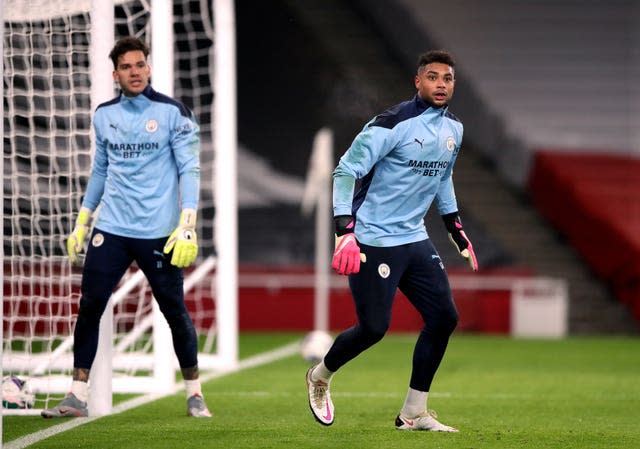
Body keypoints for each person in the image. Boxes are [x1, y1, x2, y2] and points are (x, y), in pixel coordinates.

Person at [305, 50, 478, 431]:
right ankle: (320, 376)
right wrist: (344, 232)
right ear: (418, 82)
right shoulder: (391, 123)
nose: (441, 85)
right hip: (371, 237)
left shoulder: (454, 130)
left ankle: (413, 413)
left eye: (447, 79)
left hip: (413, 237)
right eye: (433, 77)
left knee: (444, 317)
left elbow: (442, 176)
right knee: (373, 329)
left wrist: (455, 228)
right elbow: (346, 171)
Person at [41, 36, 211, 418]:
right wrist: (83, 222)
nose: (135, 72)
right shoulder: (104, 115)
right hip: (113, 228)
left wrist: (187, 223)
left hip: (159, 231)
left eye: (140, 65)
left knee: (173, 311)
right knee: (90, 306)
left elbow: (190, 169)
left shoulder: (174, 113)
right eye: (127, 67)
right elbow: (101, 169)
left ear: (148, 68)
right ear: (115, 73)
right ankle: (77, 394)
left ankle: (194, 392)